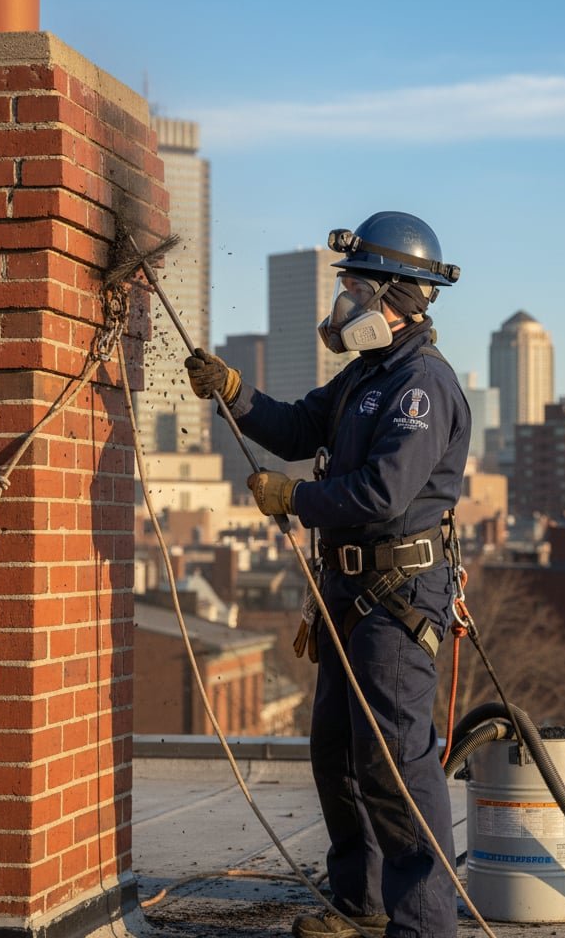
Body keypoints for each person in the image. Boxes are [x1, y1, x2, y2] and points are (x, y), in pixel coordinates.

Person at [184, 211, 471, 938]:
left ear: (397, 299)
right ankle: (361, 903)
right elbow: (296, 427)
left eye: (358, 289)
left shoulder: (421, 386)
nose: (346, 302)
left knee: (395, 762)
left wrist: (295, 498)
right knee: (338, 753)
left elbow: (383, 493)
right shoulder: (365, 377)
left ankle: (423, 925)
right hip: (348, 592)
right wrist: (233, 391)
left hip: (396, 597)